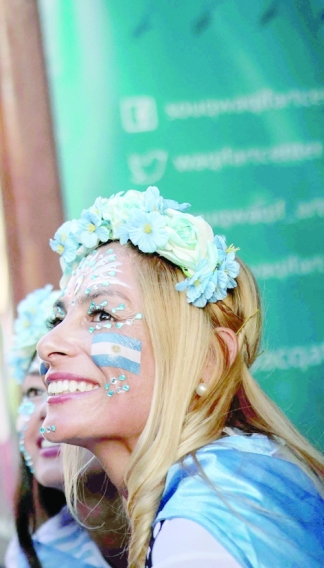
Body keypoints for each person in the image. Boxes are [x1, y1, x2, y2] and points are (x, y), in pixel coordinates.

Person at [38, 187, 324, 567]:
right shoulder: (226, 482)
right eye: (59, 318)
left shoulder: (207, 520)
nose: (48, 344)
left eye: (102, 314)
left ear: (207, 360)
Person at [5, 286, 125, 568]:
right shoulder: (35, 555)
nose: (47, 410)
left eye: (70, 385)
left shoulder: (203, 510)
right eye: (34, 392)